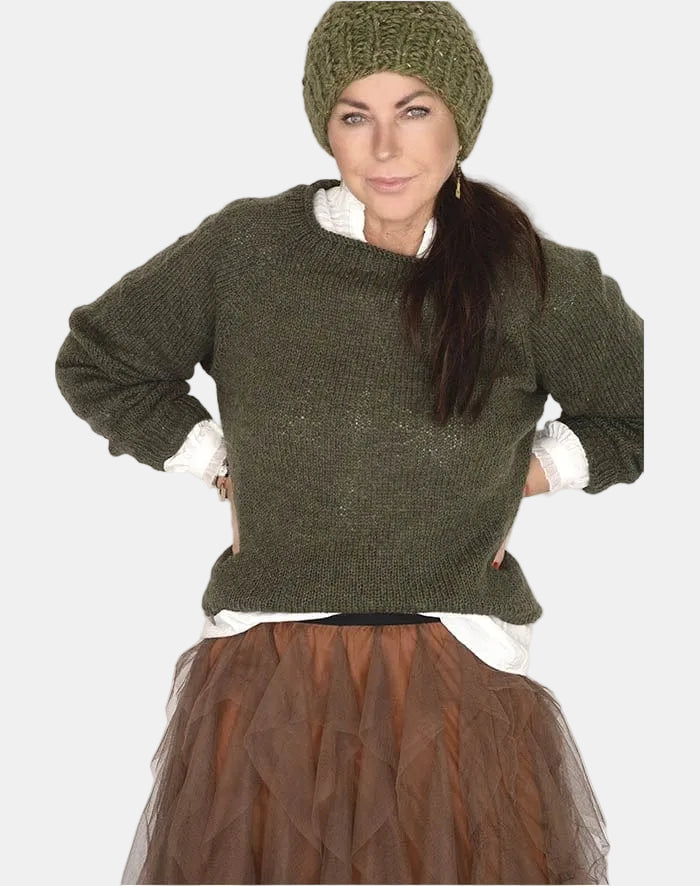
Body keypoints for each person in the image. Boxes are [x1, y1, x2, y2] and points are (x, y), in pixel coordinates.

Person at [54, 2, 643, 883]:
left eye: (415, 110)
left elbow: (639, 408)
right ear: (325, 127)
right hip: (268, 672)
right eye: (354, 116)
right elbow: (101, 362)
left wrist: (527, 475)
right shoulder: (248, 250)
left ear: (461, 121)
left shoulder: (532, 274)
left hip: (455, 674)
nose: (385, 147)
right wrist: (221, 461)